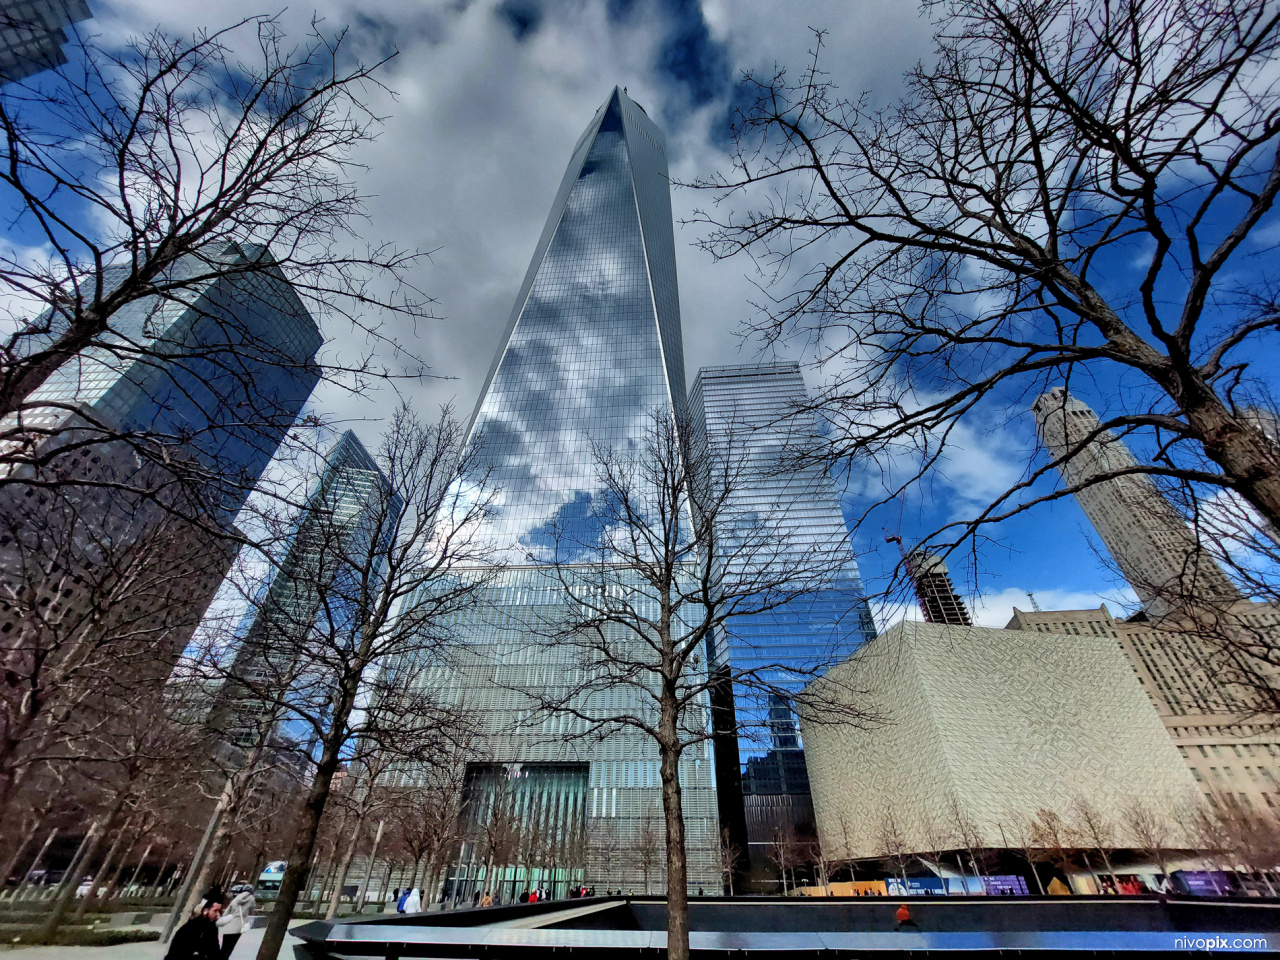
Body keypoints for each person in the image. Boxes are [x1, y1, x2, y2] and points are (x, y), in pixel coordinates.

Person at [215, 885, 255, 959]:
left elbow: (228, 909)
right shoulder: (252, 899)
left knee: (224, 945)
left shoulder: (237, 897)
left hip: (230, 923)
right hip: (239, 925)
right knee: (231, 946)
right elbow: (251, 910)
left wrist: (223, 918)